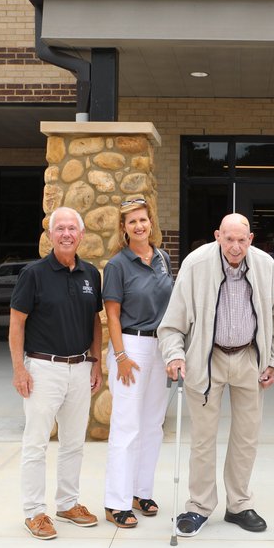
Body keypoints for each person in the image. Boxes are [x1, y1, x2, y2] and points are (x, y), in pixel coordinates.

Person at [158, 213, 274, 537]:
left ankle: (239, 505)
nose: (235, 246)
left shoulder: (264, 265)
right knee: (203, 439)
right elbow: (172, 323)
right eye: (228, 239)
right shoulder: (195, 264)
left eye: (241, 240)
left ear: (250, 240)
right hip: (207, 358)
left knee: (247, 437)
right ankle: (199, 506)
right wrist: (175, 355)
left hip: (248, 358)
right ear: (217, 236)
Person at [9, 206, 103, 540]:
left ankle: (67, 504)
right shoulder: (33, 274)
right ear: (51, 235)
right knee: (35, 444)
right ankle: (34, 512)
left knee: (74, 442)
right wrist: (19, 369)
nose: (66, 234)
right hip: (42, 369)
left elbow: (95, 320)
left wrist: (97, 362)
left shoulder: (91, 274)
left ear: (81, 235)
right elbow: (17, 322)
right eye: (59, 228)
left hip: (79, 368)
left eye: (71, 229)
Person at [102, 197, 174, 528]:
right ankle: (116, 501)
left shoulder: (163, 258)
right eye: (132, 222)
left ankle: (140, 491)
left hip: (161, 347)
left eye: (143, 220)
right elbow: (112, 316)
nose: (139, 226)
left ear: (151, 222)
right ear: (123, 228)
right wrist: (121, 356)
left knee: (152, 425)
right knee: (126, 426)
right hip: (130, 346)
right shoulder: (118, 265)